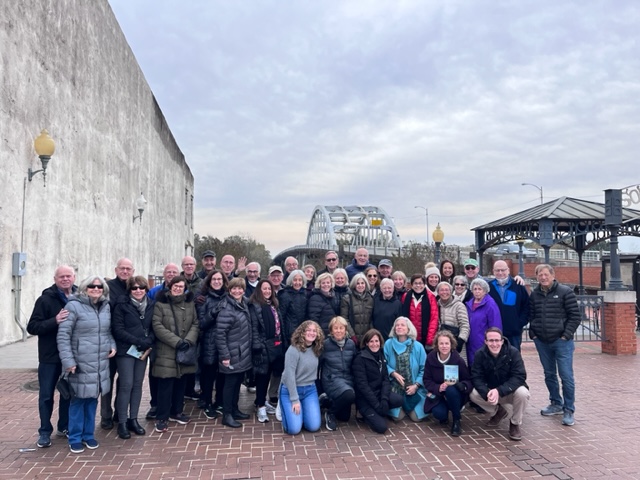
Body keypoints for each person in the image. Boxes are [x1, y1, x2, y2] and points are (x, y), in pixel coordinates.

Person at [57, 275, 116, 454]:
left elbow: (107, 332)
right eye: (92, 286)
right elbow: (63, 336)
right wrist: (68, 361)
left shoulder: (105, 307)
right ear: (84, 288)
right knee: (78, 401)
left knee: (92, 400)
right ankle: (74, 437)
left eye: (99, 287)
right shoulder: (73, 306)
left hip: (99, 362)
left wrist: (112, 345)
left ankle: (88, 435)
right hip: (80, 362)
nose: (96, 289)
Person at [27, 265, 76, 448]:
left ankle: (64, 427)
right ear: (55, 279)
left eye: (68, 276)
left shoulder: (79, 298)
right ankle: (44, 431)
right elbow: (32, 327)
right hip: (49, 356)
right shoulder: (45, 300)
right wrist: (54, 321)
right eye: (61, 276)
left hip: (70, 356)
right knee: (46, 395)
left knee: (68, 394)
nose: (65, 279)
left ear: (74, 277)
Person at [529, 264, 581, 427]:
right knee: (549, 374)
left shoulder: (565, 292)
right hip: (542, 341)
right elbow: (532, 315)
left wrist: (566, 335)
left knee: (566, 376)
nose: (543, 278)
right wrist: (534, 334)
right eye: (540, 275)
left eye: (545, 274)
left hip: (561, 341)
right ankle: (556, 403)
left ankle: (569, 409)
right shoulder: (535, 294)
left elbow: (575, 316)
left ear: (552, 275)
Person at [151, 276, 199, 433]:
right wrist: (177, 341)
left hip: (185, 349)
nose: (178, 288)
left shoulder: (189, 304)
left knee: (181, 383)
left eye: (181, 286)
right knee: (166, 384)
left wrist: (189, 340)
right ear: (169, 287)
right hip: (167, 349)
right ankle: (162, 417)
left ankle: (176, 411)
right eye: (175, 286)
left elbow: (195, 323)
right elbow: (157, 326)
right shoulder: (160, 304)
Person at [111, 276, 154, 439]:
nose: (138, 291)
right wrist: (138, 341)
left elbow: (152, 327)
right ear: (129, 290)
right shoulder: (121, 305)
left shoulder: (151, 304)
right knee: (126, 384)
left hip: (143, 351)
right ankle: (122, 422)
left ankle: (133, 419)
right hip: (126, 350)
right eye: (134, 288)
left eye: (141, 288)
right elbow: (118, 329)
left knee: (137, 385)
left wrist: (148, 341)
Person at [470, 327, 529, 441]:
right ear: (485, 342)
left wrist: (499, 390)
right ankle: (499, 410)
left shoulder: (513, 352)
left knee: (523, 393)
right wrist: (487, 392)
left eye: (497, 340)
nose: (494, 344)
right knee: (473, 394)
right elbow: (476, 377)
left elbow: (519, 376)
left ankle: (515, 423)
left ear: (502, 341)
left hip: (510, 391)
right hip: (491, 392)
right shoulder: (479, 354)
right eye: (491, 341)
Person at [101, 258, 135, 430]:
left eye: (128, 269)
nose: (125, 271)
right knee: (107, 379)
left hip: (127, 343)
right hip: (109, 342)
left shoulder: (134, 288)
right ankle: (106, 415)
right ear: (116, 270)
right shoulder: (107, 288)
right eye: (122, 268)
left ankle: (118, 412)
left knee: (125, 381)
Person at [216, 277, 253, 428]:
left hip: (242, 353)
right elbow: (220, 334)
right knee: (230, 385)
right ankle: (227, 414)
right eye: (234, 289)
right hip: (231, 354)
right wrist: (225, 355)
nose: (237, 291)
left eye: (240, 289)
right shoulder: (226, 308)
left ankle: (234, 409)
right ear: (229, 290)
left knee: (238, 382)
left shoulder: (243, 304)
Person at [352, 329, 403, 434]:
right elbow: (363, 386)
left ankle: (379, 410)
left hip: (379, 393)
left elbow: (385, 379)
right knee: (381, 428)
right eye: (371, 341)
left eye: (376, 341)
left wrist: (384, 400)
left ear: (380, 342)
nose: (374, 344)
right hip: (365, 398)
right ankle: (365, 413)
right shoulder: (360, 359)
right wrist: (377, 406)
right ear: (366, 343)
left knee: (399, 400)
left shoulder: (381, 356)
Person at [423, 330, 472, 436]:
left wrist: (461, 385)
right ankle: (445, 414)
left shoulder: (458, 360)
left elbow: (468, 380)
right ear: (437, 345)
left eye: (446, 343)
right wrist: (438, 387)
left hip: (455, 394)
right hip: (439, 395)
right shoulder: (430, 358)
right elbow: (426, 380)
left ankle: (456, 420)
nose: (444, 346)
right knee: (439, 414)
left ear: (451, 345)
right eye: (441, 343)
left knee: (451, 390)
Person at [249, 280, 284, 423]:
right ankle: (261, 407)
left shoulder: (274, 305)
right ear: (259, 290)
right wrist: (258, 346)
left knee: (270, 375)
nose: (267, 291)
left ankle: (262, 401)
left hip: (275, 344)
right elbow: (254, 328)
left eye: (269, 289)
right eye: (264, 289)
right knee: (262, 377)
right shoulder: (255, 306)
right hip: (262, 347)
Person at [280, 321, 324, 435]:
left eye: (314, 331)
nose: (312, 333)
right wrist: (294, 400)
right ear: (302, 332)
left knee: (314, 426)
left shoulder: (316, 348)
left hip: (310, 390)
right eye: (308, 330)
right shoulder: (293, 350)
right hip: (290, 391)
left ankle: (303, 413)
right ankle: (285, 411)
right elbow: (289, 376)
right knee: (294, 429)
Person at [195, 270, 228, 419]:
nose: (217, 281)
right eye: (214, 279)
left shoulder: (228, 297)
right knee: (208, 375)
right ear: (209, 281)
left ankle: (219, 401)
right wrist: (213, 312)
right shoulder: (204, 299)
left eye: (219, 279)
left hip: (225, 342)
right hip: (209, 342)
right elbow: (201, 323)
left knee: (222, 374)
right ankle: (207, 402)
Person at [384, 317, 428, 422]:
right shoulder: (388, 344)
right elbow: (384, 364)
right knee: (397, 418)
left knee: (416, 418)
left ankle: (409, 406)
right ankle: (402, 406)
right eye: (397, 325)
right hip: (395, 387)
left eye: (402, 325)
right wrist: (393, 373)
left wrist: (416, 386)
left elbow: (424, 369)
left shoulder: (418, 346)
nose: (399, 327)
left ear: (408, 329)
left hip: (413, 388)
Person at [320, 317, 356, 431]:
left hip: (348, 380)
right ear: (331, 331)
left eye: (341, 328)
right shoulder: (325, 345)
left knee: (344, 417)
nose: (339, 331)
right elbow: (318, 364)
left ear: (345, 330)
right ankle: (330, 413)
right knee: (349, 395)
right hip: (332, 379)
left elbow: (355, 364)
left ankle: (328, 401)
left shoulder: (351, 344)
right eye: (336, 328)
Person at [488, 260, 530, 350]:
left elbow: (527, 306)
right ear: (493, 271)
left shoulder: (518, 285)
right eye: (497, 270)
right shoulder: (488, 287)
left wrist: (519, 323)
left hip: (513, 332)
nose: (500, 273)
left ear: (508, 271)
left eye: (503, 270)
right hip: (493, 332)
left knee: (514, 359)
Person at [465, 278, 502, 367]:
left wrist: (492, 341)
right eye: (475, 289)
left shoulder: (490, 305)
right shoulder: (468, 304)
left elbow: (495, 326)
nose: (477, 291)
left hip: (483, 342)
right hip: (470, 342)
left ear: (485, 291)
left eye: (480, 289)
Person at [401, 274, 439, 349]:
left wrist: (430, 339)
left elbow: (434, 319)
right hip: (409, 337)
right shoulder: (406, 296)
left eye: (420, 283)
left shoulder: (430, 297)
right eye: (415, 283)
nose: (418, 285)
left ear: (424, 284)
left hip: (424, 337)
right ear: (411, 284)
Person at [436, 281, 470, 363]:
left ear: (451, 291)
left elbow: (465, 325)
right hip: (443, 344)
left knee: (459, 366)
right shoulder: (437, 305)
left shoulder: (459, 305)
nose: (444, 292)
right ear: (438, 292)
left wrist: (461, 341)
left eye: (447, 290)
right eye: (442, 290)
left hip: (457, 342)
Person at [278, 269, 308, 348]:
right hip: (289, 334)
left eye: (300, 280)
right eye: (295, 280)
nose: (297, 283)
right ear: (291, 280)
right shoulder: (285, 295)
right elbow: (281, 317)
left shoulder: (305, 294)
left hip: (302, 333)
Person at [341, 273, 374, 344]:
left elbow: (372, 319)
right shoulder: (347, 299)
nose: (360, 285)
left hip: (367, 338)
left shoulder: (371, 299)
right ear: (354, 285)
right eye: (358, 283)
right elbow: (344, 319)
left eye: (362, 283)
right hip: (352, 338)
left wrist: (370, 334)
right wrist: (352, 335)